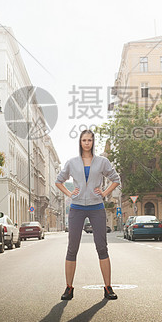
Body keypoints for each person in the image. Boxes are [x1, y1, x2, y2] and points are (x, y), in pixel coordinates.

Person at [55, 129, 121, 301]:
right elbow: (58, 181)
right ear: (80, 142)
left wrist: (105, 192)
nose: (86, 143)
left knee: (102, 247)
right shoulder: (72, 162)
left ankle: (108, 288)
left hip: (96, 207)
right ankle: (69, 288)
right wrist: (70, 195)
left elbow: (116, 178)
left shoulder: (102, 162)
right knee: (72, 248)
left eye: (89, 140)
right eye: (84, 140)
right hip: (77, 208)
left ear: (93, 142)